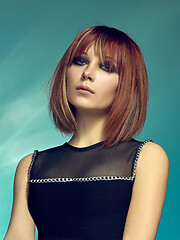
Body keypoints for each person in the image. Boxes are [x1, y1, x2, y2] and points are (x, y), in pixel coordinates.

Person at [4, 25, 169, 240]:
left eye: (107, 67)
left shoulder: (147, 157)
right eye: (80, 61)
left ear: (126, 85)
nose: (87, 73)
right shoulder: (31, 167)